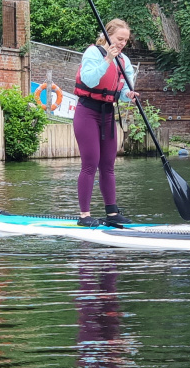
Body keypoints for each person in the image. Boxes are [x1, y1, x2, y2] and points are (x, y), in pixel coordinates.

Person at [73, 19, 139, 227]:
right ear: (108, 35)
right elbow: (89, 80)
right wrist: (108, 59)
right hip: (87, 112)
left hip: (108, 114)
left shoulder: (125, 61)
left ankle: (112, 213)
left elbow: (123, 92)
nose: (122, 43)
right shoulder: (93, 53)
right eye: (119, 39)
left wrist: (129, 95)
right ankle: (84, 216)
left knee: (108, 165)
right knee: (90, 164)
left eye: (125, 40)